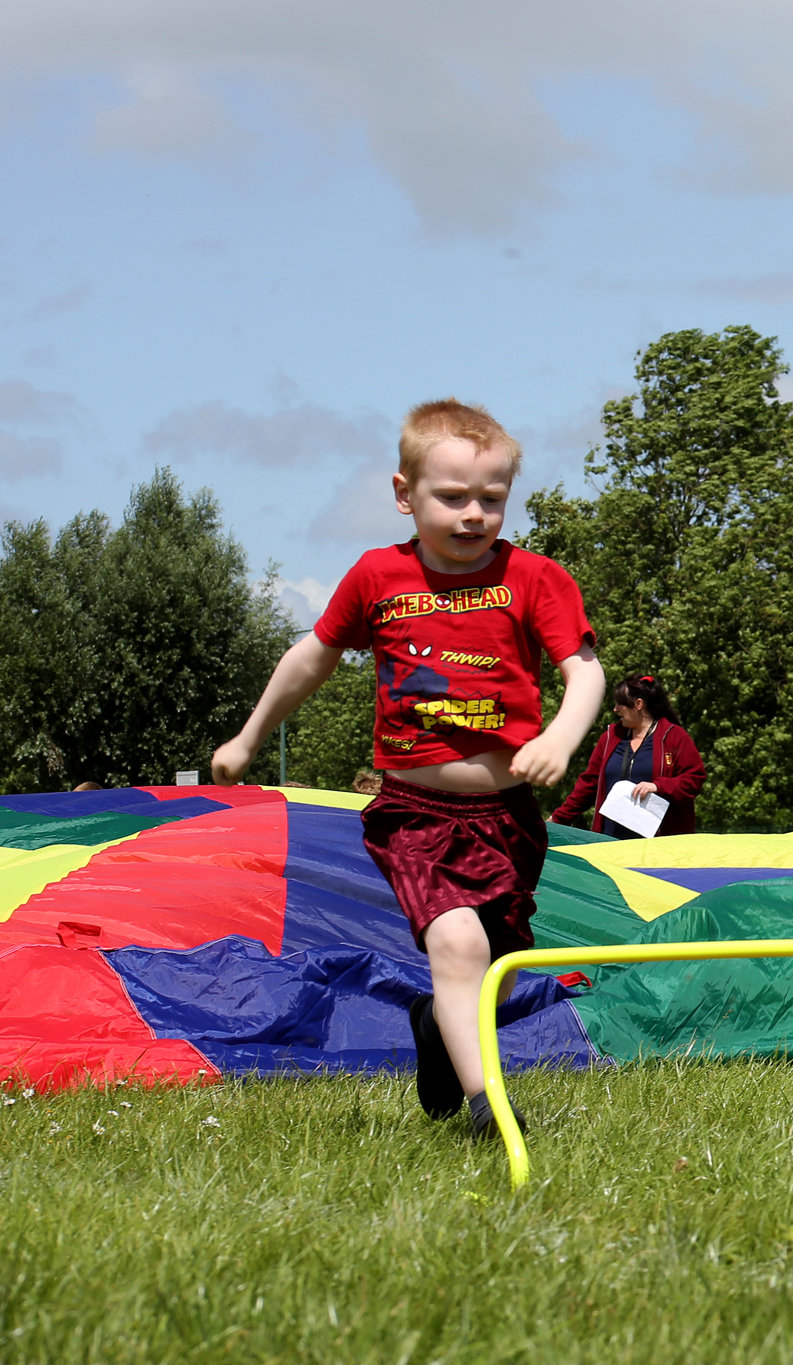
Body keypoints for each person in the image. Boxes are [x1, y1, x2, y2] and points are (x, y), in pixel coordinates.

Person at [211, 399, 605, 1136]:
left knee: (493, 964)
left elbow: (585, 672)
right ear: (405, 494)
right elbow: (312, 657)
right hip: (415, 814)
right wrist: (249, 736)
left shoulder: (535, 577)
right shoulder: (378, 577)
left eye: (490, 498)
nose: (472, 514)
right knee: (457, 944)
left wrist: (560, 736)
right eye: (451, 497)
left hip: (509, 816)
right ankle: (492, 1113)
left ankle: (434, 1022)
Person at [551, 673, 705, 837]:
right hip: (609, 842)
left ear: (638, 704)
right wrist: (557, 820)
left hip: (658, 847)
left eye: (620, 704)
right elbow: (588, 786)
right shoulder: (610, 738)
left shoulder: (674, 737)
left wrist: (659, 787)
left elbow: (695, 779)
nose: (615, 709)